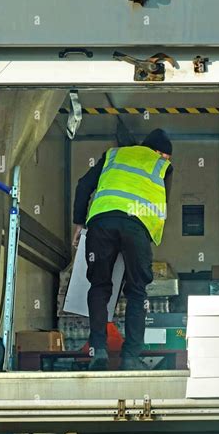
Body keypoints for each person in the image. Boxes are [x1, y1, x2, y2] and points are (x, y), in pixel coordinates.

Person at [72, 128, 173, 370]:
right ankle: (130, 356)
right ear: (160, 152)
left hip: (101, 223)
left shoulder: (113, 155)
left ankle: (98, 349)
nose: (166, 160)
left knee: (99, 286)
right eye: (166, 156)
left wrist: (78, 222)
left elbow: (83, 185)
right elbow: (162, 200)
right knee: (137, 291)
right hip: (137, 225)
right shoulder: (162, 165)